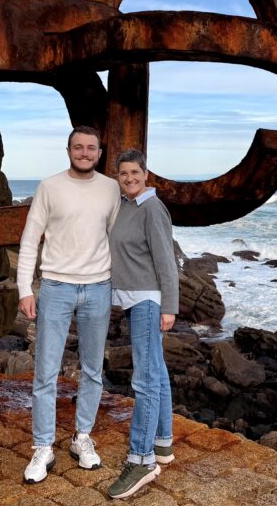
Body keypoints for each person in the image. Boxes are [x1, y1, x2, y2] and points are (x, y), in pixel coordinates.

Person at [17, 125, 121, 484]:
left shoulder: (111, 188)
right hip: (56, 287)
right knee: (46, 371)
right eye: (78, 148)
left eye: (91, 148)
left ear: (99, 152)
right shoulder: (49, 187)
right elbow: (30, 240)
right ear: (68, 151)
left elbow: (116, 238)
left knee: (92, 369)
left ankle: (81, 438)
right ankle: (43, 446)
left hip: (98, 288)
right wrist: (24, 290)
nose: (85, 153)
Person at [106, 149, 179, 499]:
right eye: (124, 173)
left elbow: (167, 260)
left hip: (148, 301)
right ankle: (163, 442)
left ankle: (142, 459)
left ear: (146, 174)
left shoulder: (152, 208)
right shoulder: (125, 206)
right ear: (117, 177)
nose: (130, 178)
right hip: (132, 297)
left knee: (146, 379)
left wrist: (170, 306)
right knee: (157, 370)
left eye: (135, 172)